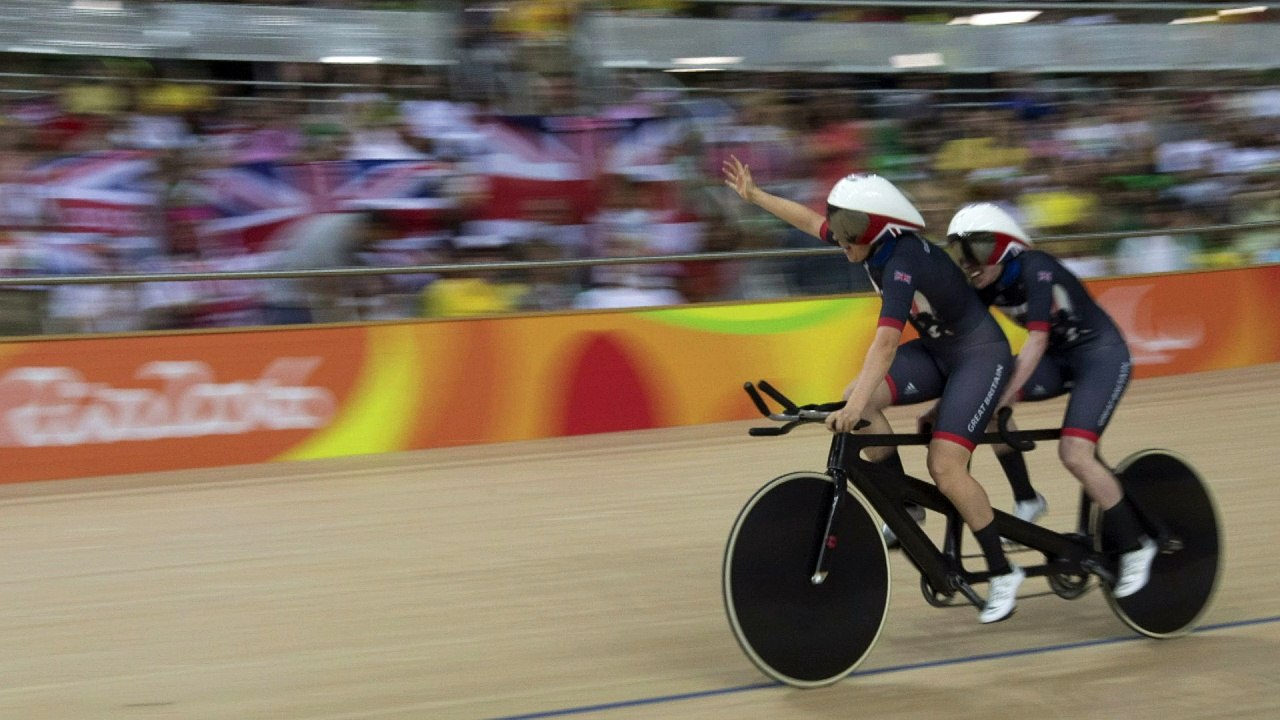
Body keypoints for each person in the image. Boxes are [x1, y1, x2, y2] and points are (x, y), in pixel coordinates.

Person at [722, 156, 1024, 624]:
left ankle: (1003, 572)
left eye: (849, 236)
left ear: (879, 230)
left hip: (980, 356)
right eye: (842, 233)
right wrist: (756, 196)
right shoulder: (867, 239)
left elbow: (885, 342)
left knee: (944, 465)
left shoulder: (901, 259)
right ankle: (906, 506)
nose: (842, 244)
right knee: (856, 399)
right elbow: (810, 221)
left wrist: (855, 406)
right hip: (942, 349)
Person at [945, 202, 1157, 598]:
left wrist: (1005, 395)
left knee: (1075, 454)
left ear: (1008, 248)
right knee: (987, 407)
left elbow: (1036, 339)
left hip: (1100, 358)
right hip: (1060, 359)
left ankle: (1137, 546)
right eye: (961, 253)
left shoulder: (1034, 265)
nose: (969, 263)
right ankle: (1027, 498)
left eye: (978, 251)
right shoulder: (985, 283)